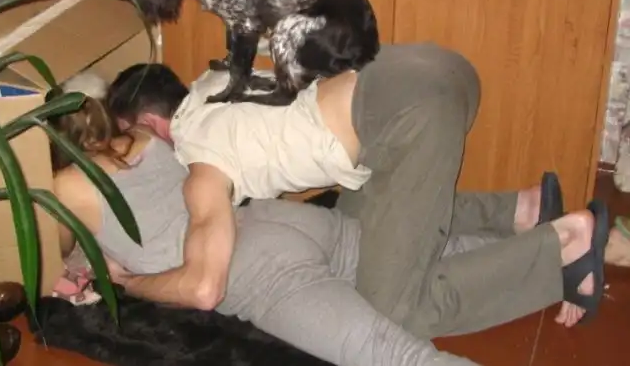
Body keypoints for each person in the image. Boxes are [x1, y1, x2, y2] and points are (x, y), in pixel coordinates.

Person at [104, 44, 611, 334]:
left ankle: (562, 249)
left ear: (149, 125)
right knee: (354, 222)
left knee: (393, 306)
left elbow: (204, 287)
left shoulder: (201, 163)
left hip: (412, 114)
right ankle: (521, 210)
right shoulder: (213, 80)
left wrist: (127, 281)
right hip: (426, 68)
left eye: (129, 139)